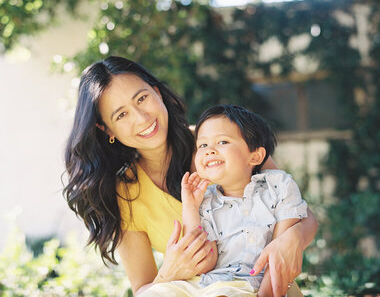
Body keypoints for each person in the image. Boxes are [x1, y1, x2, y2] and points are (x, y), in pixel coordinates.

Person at [63, 56, 318, 297]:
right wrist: (169, 273)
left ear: (157, 92)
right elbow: (143, 290)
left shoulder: (221, 140)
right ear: (107, 129)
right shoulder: (126, 194)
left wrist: (291, 239)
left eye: (141, 99)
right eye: (121, 114)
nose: (142, 118)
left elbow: (299, 211)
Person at [179, 104, 308, 296]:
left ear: (255, 156)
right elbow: (204, 264)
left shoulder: (279, 186)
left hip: (262, 284)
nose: (209, 150)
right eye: (203, 145)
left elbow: (281, 250)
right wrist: (190, 207)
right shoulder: (205, 201)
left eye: (222, 142)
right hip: (213, 284)